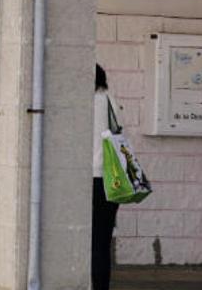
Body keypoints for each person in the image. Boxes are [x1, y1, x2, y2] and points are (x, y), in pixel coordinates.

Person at [92, 64, 120, 290]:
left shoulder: (77, 102)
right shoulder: (110, 100)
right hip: (110, 179)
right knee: (102, 240)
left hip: (86, 178)